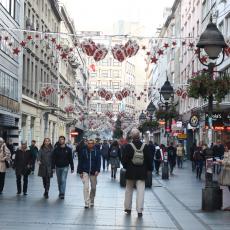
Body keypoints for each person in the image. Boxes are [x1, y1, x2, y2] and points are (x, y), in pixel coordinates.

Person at [122, 128, 153, 217]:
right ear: (139, 136)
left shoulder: (128, 146)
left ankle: (128, 208)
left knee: (128, 190)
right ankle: (139, 210)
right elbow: (149, 159)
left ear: (131, 136)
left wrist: (126, 167)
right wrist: (149, 169)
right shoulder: (145, 146)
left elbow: (124, 160)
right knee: (140, 191)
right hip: (142, 172)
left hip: (130, 172)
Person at [77, 139, 101, 208]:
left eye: (91, 143)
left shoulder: (97, 152)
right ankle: (87, 203)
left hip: (93, 172)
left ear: (93, 144)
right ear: (87, 144)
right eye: (89, 143)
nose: (90, 144)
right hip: (85, 171)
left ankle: (91, 200)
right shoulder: (84, 151)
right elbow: (80, 162)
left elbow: (99, 162)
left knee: (93, 188)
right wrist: (80, 171)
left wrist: (98, 170)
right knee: (86, 187)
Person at [217, 145, 230, 211]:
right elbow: (225, 161)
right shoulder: (226, 153)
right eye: (225, 146)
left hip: (229, 172)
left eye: (226, 146)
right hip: (225, 172)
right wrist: (220, 162)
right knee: (228, 186)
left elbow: (228, 162)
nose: (225, 147)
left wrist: (222, 162)